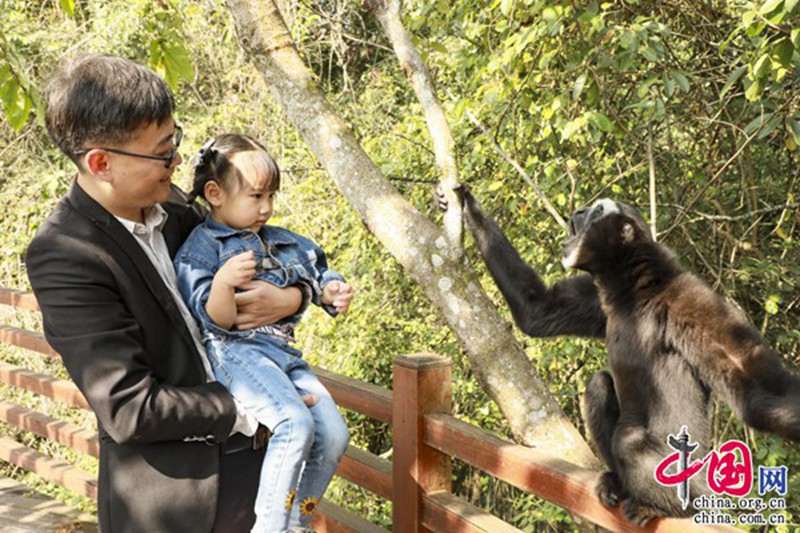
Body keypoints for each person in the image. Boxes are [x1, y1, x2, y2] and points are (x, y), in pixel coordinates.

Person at [25, 53, 305, 532]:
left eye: (175, 142)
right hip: (173, 503)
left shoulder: (177, 208)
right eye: (161, 152)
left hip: (259, 476)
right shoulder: (65, 253)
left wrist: (294, 296)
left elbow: (264, 257)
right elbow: (129, 407)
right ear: (100, 163)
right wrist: (248, 409)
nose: (176, 161)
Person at [174, 133, 353, 533]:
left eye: (271, 196)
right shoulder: (201, 249)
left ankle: (295, 523)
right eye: (256, 196)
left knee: (334, 434)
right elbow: (216, 321)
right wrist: (223, 282)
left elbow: (319, 273)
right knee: (294, 424)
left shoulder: (284, 241)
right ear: (215, 193)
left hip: (285, 354)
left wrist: (332, 290)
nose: (266, 207)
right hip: (237, 353)